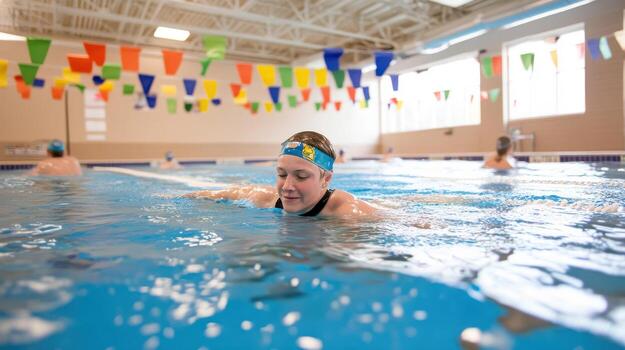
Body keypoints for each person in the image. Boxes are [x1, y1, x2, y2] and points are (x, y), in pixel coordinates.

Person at [184, 131, 376, 217]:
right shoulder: (265, 197)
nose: (287, 187)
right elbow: (226, 193)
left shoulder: (348, 211)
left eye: (301, 176)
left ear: (325, 179)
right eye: (282, 174)